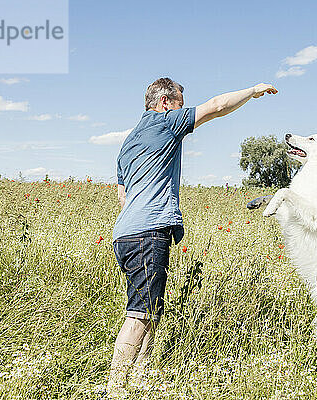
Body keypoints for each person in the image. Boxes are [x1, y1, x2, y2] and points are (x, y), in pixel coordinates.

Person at [106, 77, 277, 397]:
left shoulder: (128, 142)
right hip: (148, 233)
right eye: (180, 104)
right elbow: (216, 107)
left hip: (126, 233)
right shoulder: (164, 122)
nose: (183, 112)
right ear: (165, 102)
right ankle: (115, 389)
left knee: (151, 308)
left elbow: (122, 196)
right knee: (140, 314)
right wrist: (253, 91)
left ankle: (141, 377)